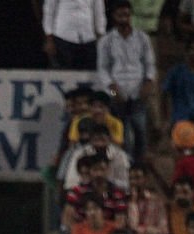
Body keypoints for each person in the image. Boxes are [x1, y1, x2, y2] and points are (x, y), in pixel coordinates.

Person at [96, 0, 156, 161]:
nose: (124, 18)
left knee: (141, 131)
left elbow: (149, 64)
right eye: (120, 15)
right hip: (118, 95)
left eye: (127, 15)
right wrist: (114, 91)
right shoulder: (106, 41)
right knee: (123, 135)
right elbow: (103, 69)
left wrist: (148, 84)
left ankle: (140, 166)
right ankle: (126, 165)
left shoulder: (142, 38)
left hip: (138, 93)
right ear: (114, 16)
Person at [42, 0, 105, 70]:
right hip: (63, 37)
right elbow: (49, 11)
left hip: (88, 37)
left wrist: (100, 37)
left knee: (88, 73)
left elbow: (99, 12)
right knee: (64, 73)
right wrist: (49, 39)